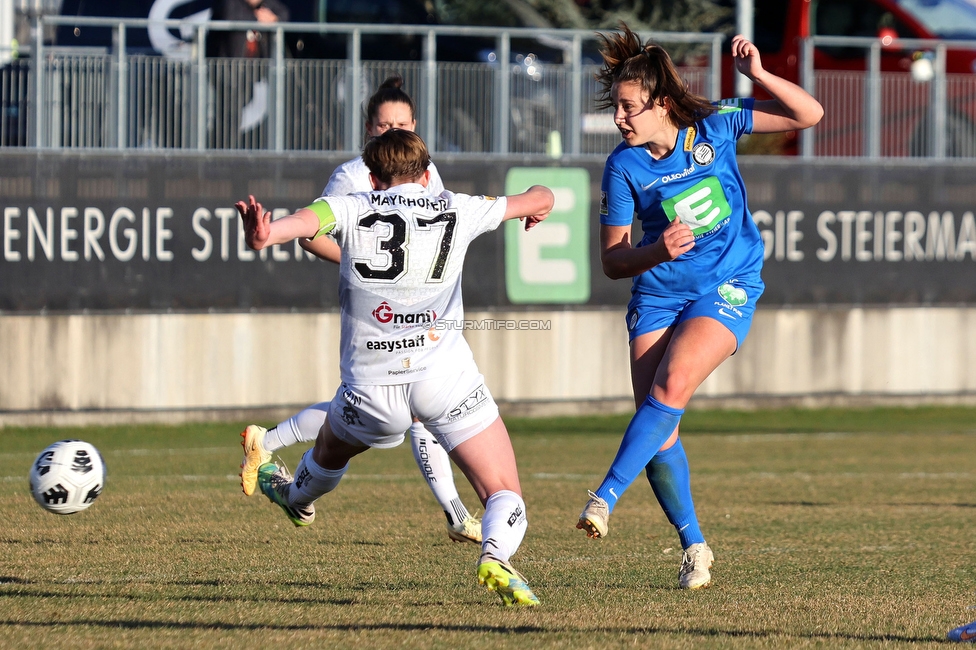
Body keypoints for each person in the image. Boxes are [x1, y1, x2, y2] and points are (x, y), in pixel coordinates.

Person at [236, 129, 554, 606]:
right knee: (504, 492)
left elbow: (301, 223)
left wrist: (266, 232)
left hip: (371, 389)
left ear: (372, 177)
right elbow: (538, 194)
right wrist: (539, 206)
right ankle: (494, 554)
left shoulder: (350, 207)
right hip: (445, 380)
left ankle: (295, 497)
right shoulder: (456, 207)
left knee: (328, 454)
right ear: (426, 174)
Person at [575, 25, 823, 590]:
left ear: (661, 104)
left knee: (671, 386)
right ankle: (694, 546)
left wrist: (759, 76)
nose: (619, 118)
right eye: (616, 107)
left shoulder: (714, 123)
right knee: (659, 428)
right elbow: (613, 262)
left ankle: (604, 495)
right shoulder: (624, 167)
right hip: (658, 292)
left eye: (628, 107)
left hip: (728, 282)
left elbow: (808, 114)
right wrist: (653, 251)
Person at [237, 76, 483, 546]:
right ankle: (454, 513)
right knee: (408, 411)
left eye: (402, 123)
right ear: (368, 128)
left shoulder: (428, 174)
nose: (391, 130)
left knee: (376, 411)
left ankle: (266, 442)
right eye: (382, 124)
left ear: (415, 127)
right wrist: (364, 266)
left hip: (426, 311)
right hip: (381, 314)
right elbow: (313, 231)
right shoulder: (355, 176)